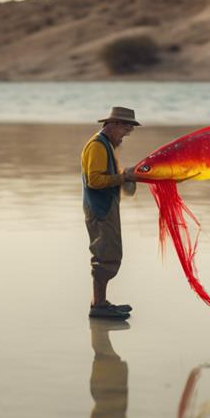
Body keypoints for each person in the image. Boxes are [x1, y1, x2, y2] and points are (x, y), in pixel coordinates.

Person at [83, 106, 140, 320]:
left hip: (105, 208)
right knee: (104, 257)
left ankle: (100, 303)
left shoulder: (106, 145)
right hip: (99, 210)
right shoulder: (97, 146)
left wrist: (125, 176)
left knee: (109, 255)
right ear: (113, 124)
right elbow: (94, 181)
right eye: (125, 128)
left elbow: (107, 177)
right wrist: (124, 177)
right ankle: (98, 306)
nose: (127, 134)